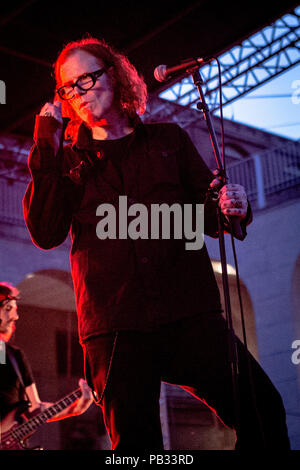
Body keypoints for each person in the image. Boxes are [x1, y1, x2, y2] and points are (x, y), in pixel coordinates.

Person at [23, 36, 290, 451]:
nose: (76, 94)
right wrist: (45, 144)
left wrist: (229, 207)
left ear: (113, 75)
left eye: (85, 80)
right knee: (137, 449)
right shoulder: (67, 160)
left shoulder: (169, 141)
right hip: (115, 326)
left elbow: (206, 214)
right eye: (67, 87)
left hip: (188, 312)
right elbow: (45, 231)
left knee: (264, 410)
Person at [0, 282, 93, 449]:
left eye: (14, 309)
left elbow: (35, 408)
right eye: (8, 309)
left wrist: (76, 408)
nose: (15, 316)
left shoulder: (15, 356)